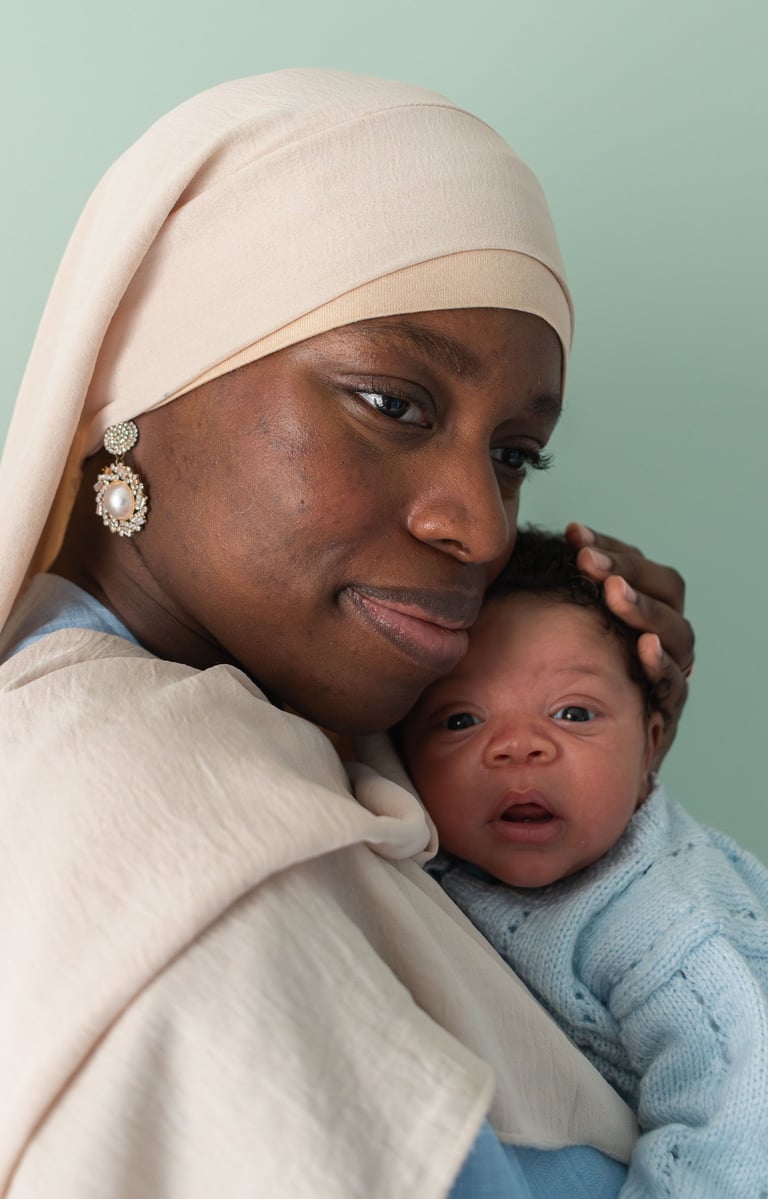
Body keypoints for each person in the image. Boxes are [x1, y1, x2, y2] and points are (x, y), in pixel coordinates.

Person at [0, 70, 694, 1198]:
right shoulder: (162, 845)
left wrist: (591, 738)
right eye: (393, 403)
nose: (476, 526)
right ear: (142, 387)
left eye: (513, 456)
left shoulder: (298, 769)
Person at [399, 528, 768, 1197]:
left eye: (573, 712)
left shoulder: (667, 929)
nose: (518, 747)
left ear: (651, 749)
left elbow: (742, 1125)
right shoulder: (419, 845)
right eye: (460, 720)